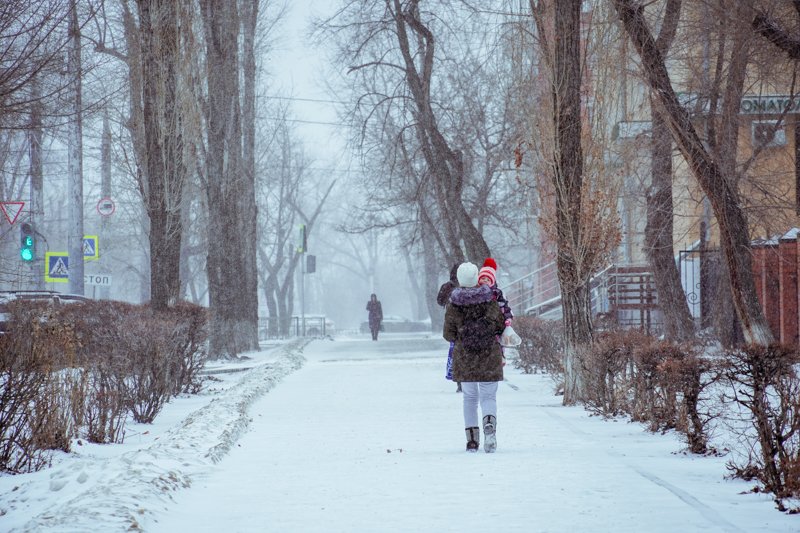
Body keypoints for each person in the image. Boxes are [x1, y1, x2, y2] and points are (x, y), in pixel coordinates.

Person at [443, 262, 505, 453]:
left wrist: (463, 336)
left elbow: (448, 334)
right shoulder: (489, 299)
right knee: (488, 397)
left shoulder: (454, 303)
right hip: (489, 355)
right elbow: (500, 325)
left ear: (460, 279)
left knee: (469, 398)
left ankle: (472, 440)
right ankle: (490, 427)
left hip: (466, 357)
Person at [437, 264, 462, 393]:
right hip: (463, 324)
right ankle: (462, 380)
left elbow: (439, 301)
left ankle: (459, 380)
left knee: (456, 352)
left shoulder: (449, 286)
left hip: (454, 324)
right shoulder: (465, 286)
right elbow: (440, 300)